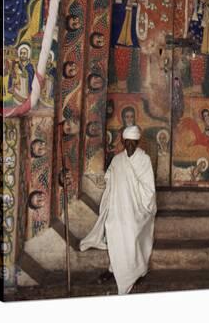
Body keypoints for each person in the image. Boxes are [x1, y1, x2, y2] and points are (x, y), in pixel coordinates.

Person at [80, 125, 156, 295]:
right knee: (113, 228)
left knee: (131, 232)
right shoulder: (117, 160)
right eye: (127, 142)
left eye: (133, 142)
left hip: (137, 208)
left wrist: (134, 189)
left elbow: (149, 188)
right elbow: (110, 178)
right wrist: (104, 180)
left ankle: (136, 271)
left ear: (138, 142)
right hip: (119, 207)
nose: (130, 145)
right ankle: (114, 268)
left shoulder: (144, 160)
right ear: (123, 141)